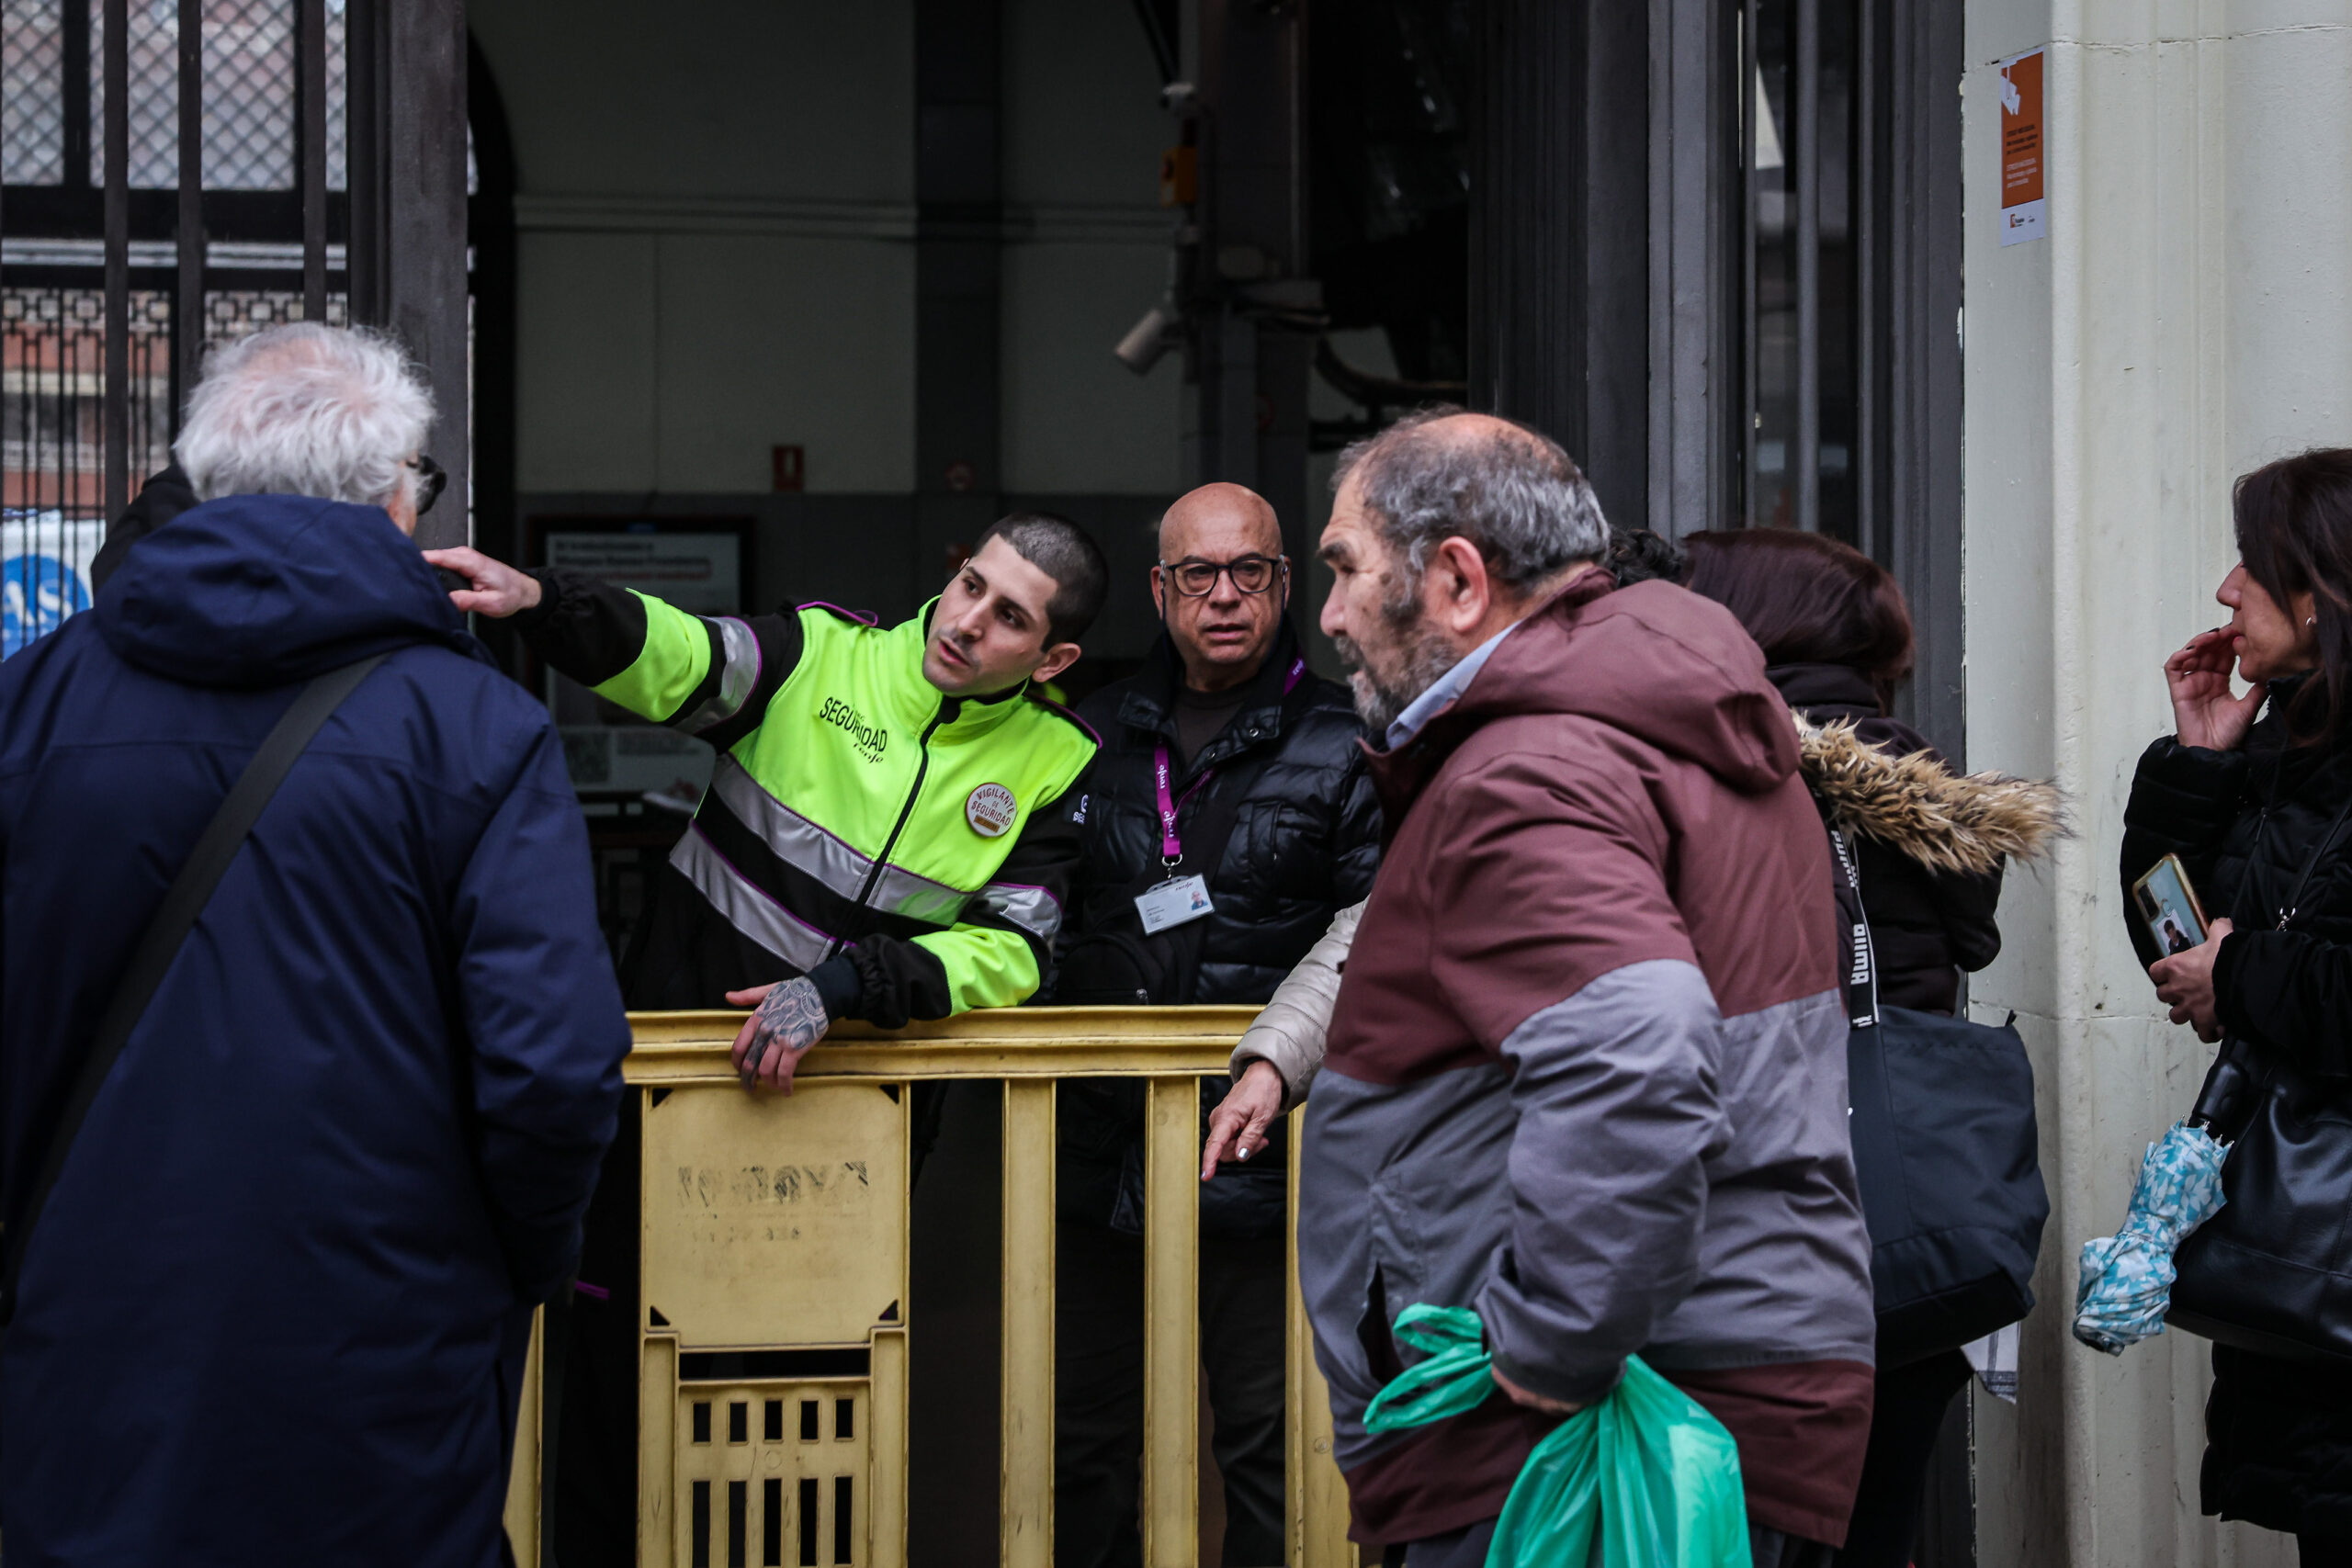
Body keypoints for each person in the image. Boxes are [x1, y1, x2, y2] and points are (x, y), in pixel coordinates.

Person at [0, 322, 629, 1564]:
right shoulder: (476, 730)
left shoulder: (29, 707)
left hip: (82, 1341)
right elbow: (553, 1070)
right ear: (395, 495)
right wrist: (513, 1266)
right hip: (382, 1356)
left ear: (203, 476)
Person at [430, 509, 1105, 1566]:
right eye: (971, 584)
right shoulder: (821, 654)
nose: (969, 622)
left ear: (1053, 658)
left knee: (806, 1414)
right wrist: (543, 603)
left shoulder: (1055, 762)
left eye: (1010, 617)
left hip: (846, 1143)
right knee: (619, 1387)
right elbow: (679, 653)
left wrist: (843, 988)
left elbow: (1013, 952)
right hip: (667, 1110)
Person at [1292, 409, 1877, 1568]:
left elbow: (1637, 1058)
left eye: (1345, 569)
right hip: (1724, 1388)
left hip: (1592, 1437)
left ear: (1457, 580)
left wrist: (1550, 1345)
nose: (1332, 615)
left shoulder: (1528, 768)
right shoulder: (1655, 731)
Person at [1050, 481, 1378, 1568]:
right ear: (1161, 589)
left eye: (1251, 572)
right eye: (1199, 574)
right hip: (1099, 1153)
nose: (1225, 596)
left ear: (1285, 584)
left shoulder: (1349, 742)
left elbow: (1379, 933)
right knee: (1083, 1443)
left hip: (1269, 1159)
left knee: (1269, 1445)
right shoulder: (1086, 735)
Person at [1683, 527, 2014, 1568]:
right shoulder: (1924, 780)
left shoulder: (1727, 764)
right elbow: (1970, 939)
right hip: (1917, 1222)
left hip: (1770, 1223)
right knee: (1877, 1522)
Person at [2121, 449, 2352, 1566]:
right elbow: (2178, 959)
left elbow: (2243, 973)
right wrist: (2195, 766)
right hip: (2314, 1261)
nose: (2224, 589)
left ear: (2319, 591)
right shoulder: (2282, 744)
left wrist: (2242, 975)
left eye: (2250, 563)